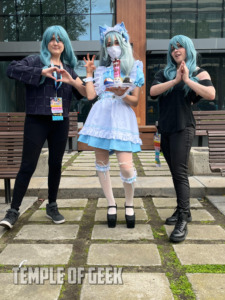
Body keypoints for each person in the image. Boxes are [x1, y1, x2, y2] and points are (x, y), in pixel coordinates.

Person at [0, 25, 86, 229]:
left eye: (60, 39)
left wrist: (74, 81)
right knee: (28, 165)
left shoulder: (69, 68)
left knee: (55, 165)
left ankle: (52, 205)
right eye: (52, 39)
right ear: (46, 42)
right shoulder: (35, 60)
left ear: (65, 44)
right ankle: (13, 211)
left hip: (60, 121)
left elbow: (83, 93)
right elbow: (11, 69)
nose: (56, 42)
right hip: (36, 120)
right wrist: (41, 72)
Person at [78, 22, 145, 228]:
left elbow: (135, 101)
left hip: (123, 118)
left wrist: (121, 94)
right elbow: (91, 95)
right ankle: (111, 203)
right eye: (108, 43)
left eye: (116, 42)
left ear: (123, 43)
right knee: (101, 163)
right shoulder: (101, 70)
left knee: (126, 166)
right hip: (102, 117)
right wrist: (89, 73)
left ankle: (130, 202)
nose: (112, 46)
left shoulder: (135, 66)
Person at [150, 35, 215, 242]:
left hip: (183, 128)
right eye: (172, 48)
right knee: (175, 172)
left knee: (180, 173)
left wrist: (187, 80)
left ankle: (183, 220)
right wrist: (176, 80)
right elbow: (152, 92)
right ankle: (182, 210)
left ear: (188, 49)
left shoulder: (198, 72)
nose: (176, 50)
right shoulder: (164, 73)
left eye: (179, 47)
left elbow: (211, 94)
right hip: (165, 129)